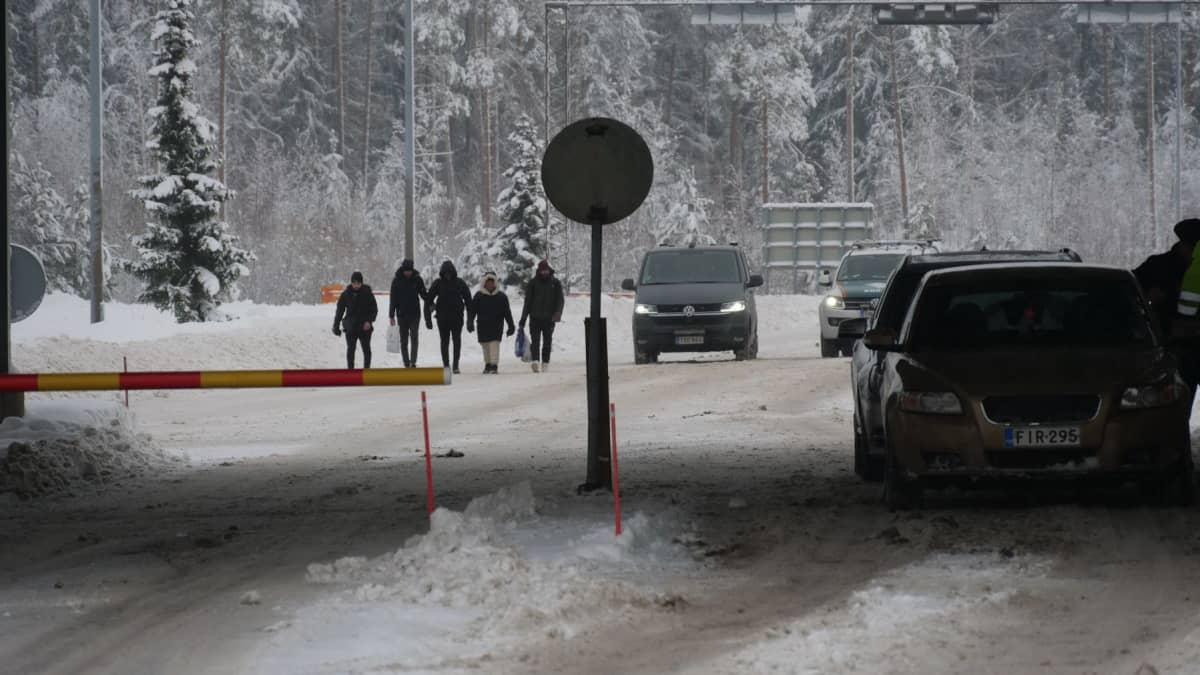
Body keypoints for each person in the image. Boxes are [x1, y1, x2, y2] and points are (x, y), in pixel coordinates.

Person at [1134, 218, 1200, 337]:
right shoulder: (1157, 266)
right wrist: (1147, 301)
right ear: (1183, 245)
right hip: (1160, 338)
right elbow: (1128, 295)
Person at [425, 260, 472, 375]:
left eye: (449, 272)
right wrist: (428, 319)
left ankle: (455, 364)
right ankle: (446, 365)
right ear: (442, 273)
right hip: (442, 318)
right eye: (445, 273)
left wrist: (469, 320)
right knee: (444, 342)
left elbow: (469, 301)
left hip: (457, 318)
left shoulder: (460, 283)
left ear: (453, 272)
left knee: (457, 341)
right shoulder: (438, 283)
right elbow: (428, 300)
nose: (447, 275)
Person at [518, 260, 565, 373]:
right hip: (535, 318)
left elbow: (560, 300)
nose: (544, 273)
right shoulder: (533, 283)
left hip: (549, 319)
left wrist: (558, 312)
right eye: (542, 270)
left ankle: (545, 362)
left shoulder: (555, 283)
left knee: (547, 341)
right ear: (538, 271)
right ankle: (535, 361)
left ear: (549, 270)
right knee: (535, 341)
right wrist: (523, 319)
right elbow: (527, 302)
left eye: (546, 270)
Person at [467, 272, 516, 374]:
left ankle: (494, 365)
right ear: (484, 283)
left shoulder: (501, 297)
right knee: (485, 345)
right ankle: (488, 364)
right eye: (487, 283)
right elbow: (472, 311)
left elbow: (507, 312)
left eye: (491, 283)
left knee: (494, 344)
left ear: (495, 284)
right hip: (482, 325)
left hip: (496, 325)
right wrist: (470, 322)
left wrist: (511, 326)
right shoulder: (478, 296)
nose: (489, 285)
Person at [333, 271, 378, 369]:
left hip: (364, 327)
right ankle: (350, 372)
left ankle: (367, 370)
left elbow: (374, 309)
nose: (356, 285)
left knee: (366, 350)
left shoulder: (367, 293)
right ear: (351, 283)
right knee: (350, 350)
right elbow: (339, 311)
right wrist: (336, 326)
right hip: (351, 327)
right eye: (354, 283)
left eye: (358, 283)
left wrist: (369, 321)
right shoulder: (346, 294)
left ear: (361, 283)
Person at [389, 259, 428, 368]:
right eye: (406, 271)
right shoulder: (396, 281)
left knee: (414, 337)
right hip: (401, 315)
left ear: (412, 269)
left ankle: (413, 362)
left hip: (415, 314)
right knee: (404, 340)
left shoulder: (417, 279)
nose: (408, 273)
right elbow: (393, 299)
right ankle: (406, 362)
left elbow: (423, 294)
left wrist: (430, 303)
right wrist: (391, 315)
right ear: (402, 270)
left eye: (409, 270)